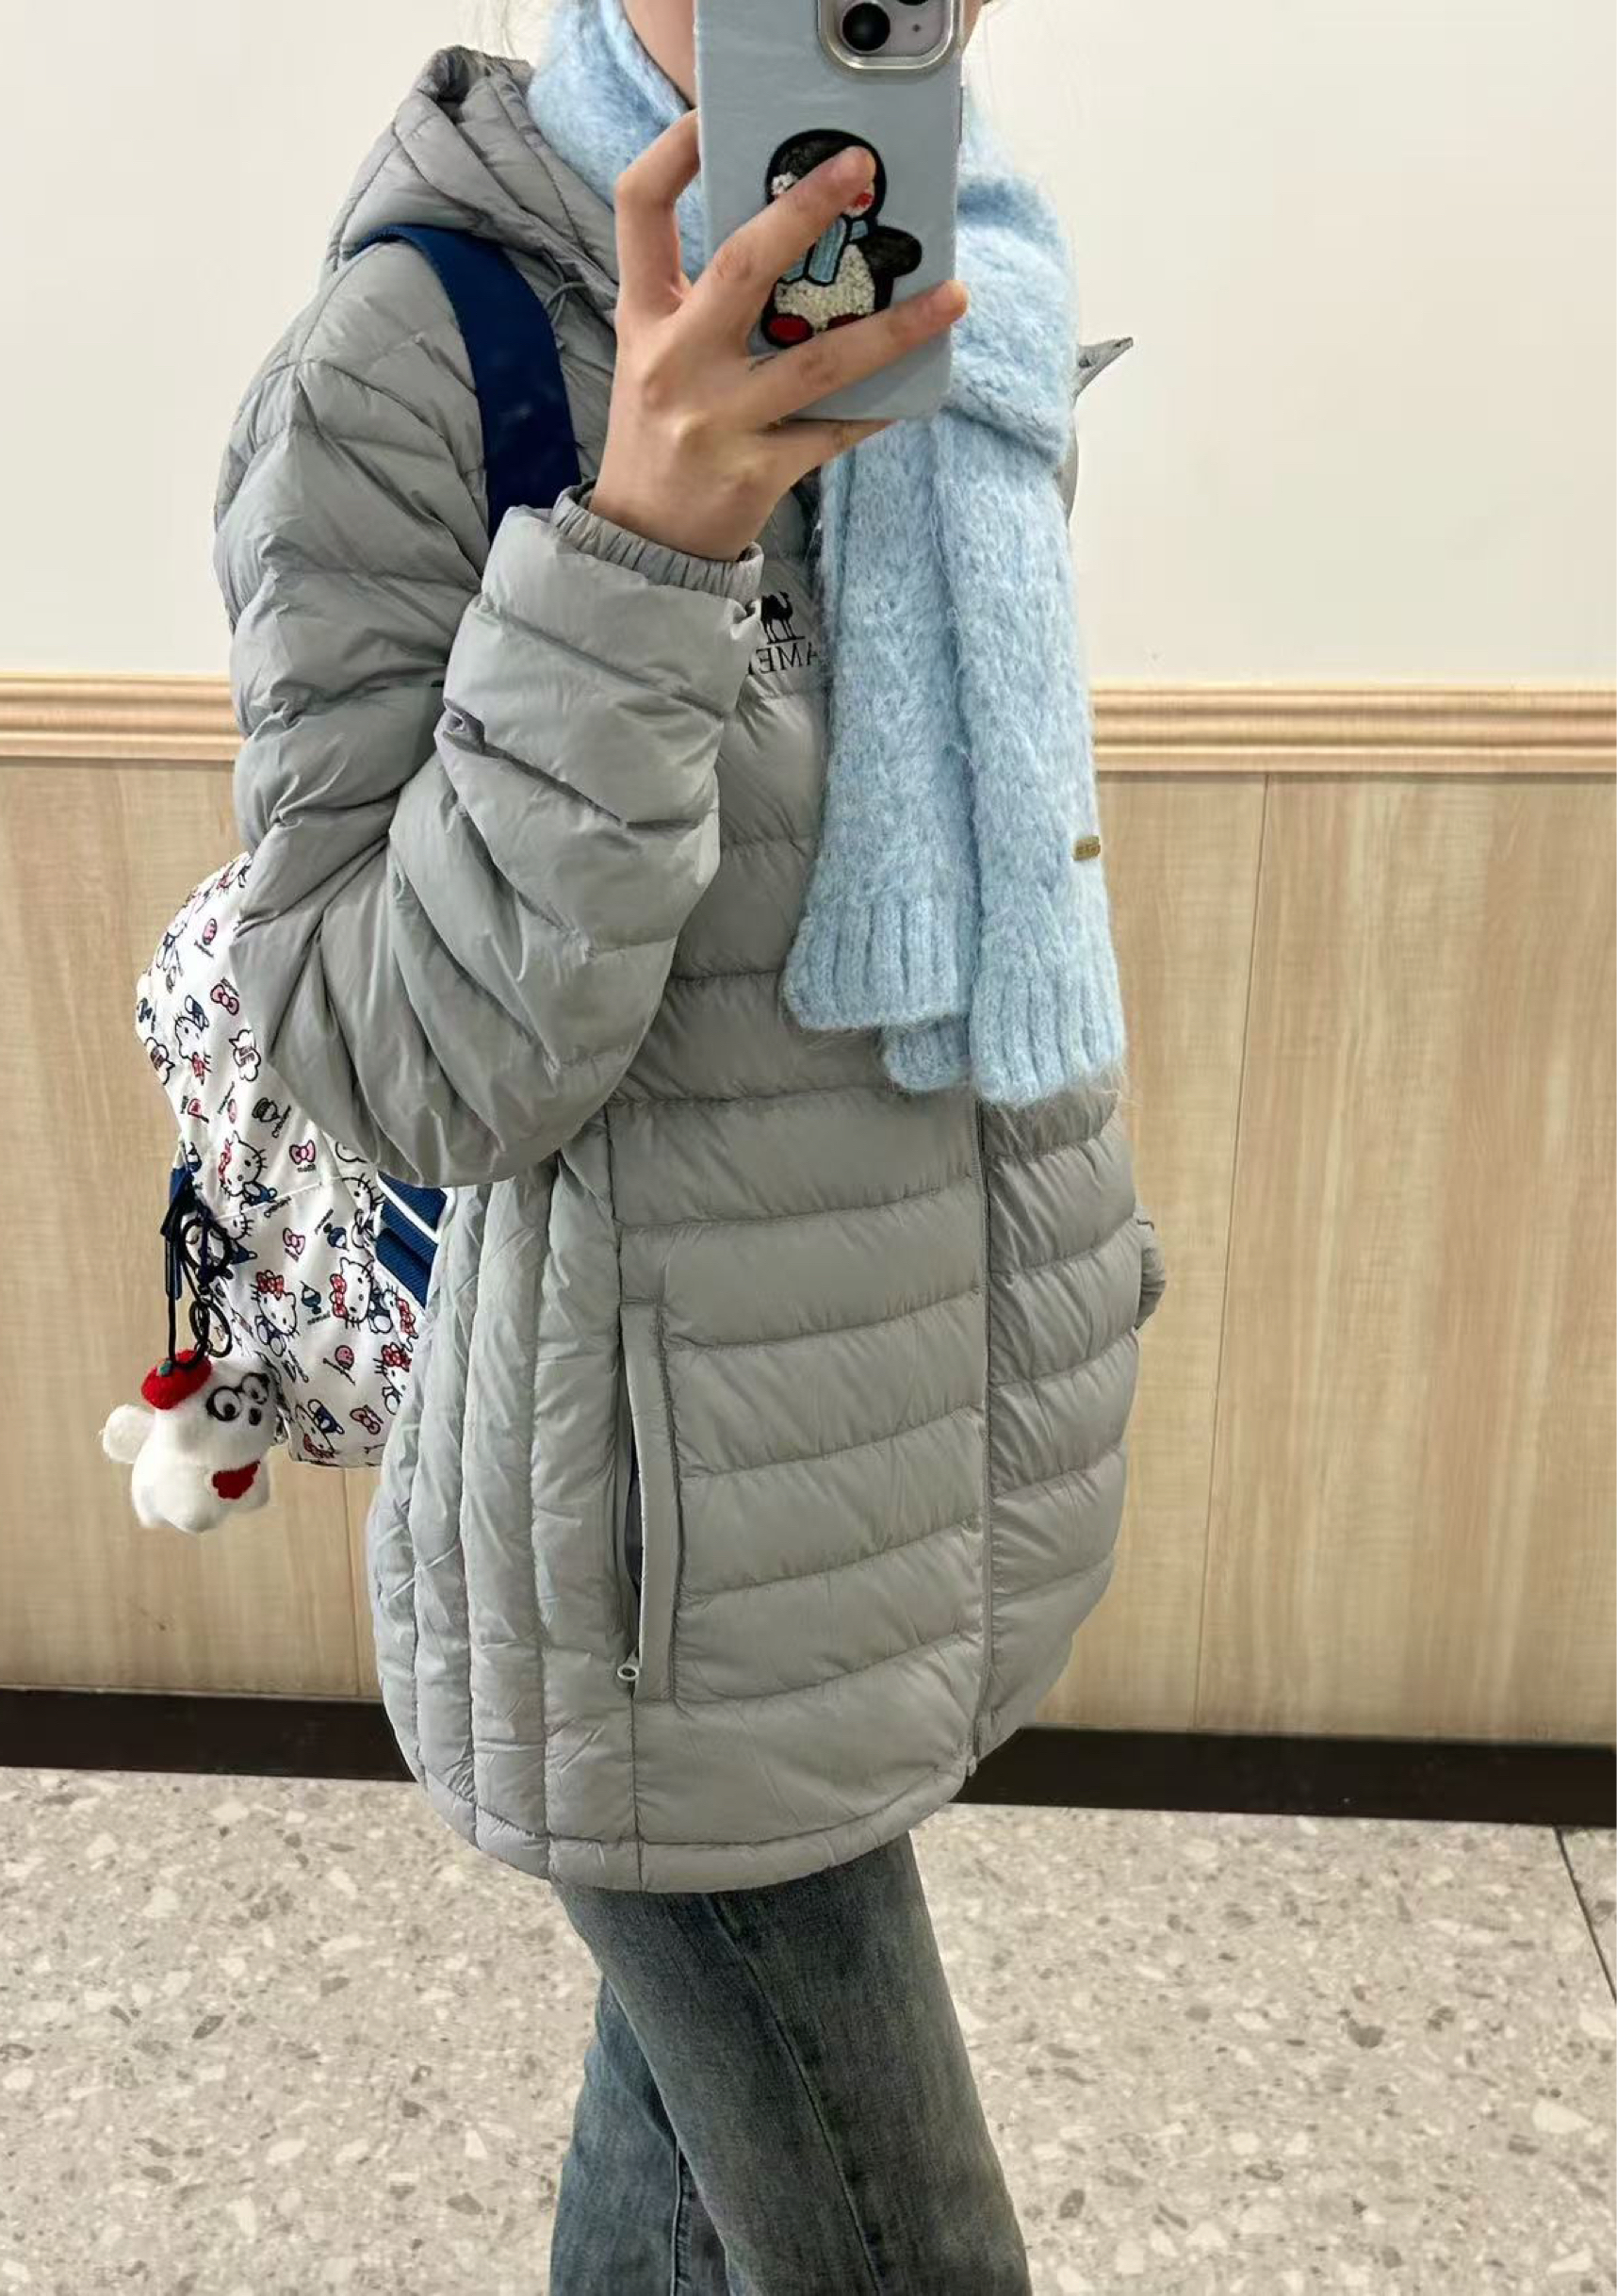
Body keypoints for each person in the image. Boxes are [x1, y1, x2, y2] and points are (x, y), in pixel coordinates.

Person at [211, 0, 1167, 2283]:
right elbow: (397, 1058)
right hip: (658, 1579)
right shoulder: (408, 358)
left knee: (665, 2167)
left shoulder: (965, 272)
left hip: (891, 1474)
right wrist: (637, 554)